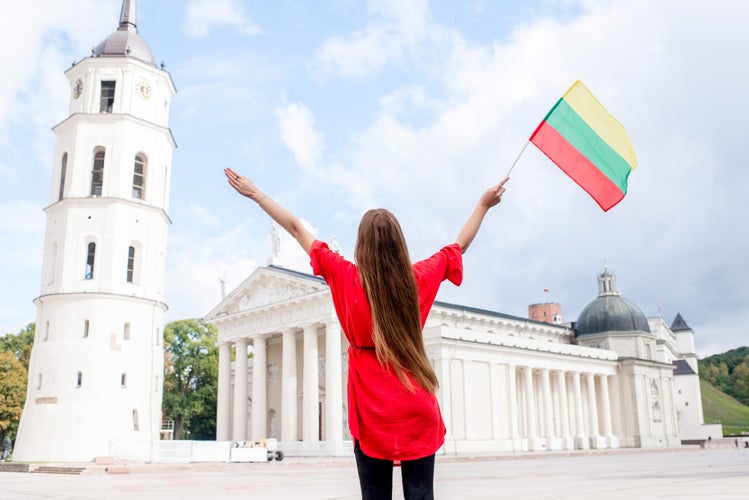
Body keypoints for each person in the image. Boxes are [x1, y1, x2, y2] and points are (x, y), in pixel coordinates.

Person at [225, 167, 508, 500]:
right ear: (399, 244)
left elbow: (296, 228)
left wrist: (257, 195)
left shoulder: (345, 276)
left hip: (372, 414)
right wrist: (483, 206)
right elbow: (458, 246)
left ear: (361, 244)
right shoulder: (418, 278)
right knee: (422, 496)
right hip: (417, 406)